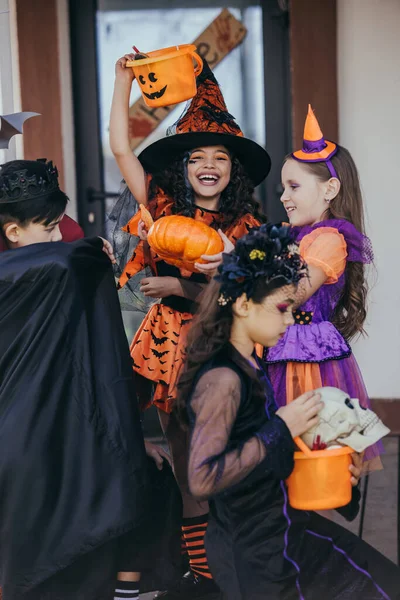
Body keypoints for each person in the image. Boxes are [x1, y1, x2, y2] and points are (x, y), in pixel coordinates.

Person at [109, 52, 270, 597]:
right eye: (197, 156)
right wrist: (120, 83)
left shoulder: (249, 226)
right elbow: (121, 150)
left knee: (235, 465)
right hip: (169, 349)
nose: (208, 165)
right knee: (189, 472)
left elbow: (251, 299)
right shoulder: (159, 204)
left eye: (220, 157)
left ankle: (241, 562)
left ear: (233, 169)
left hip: (225, 350)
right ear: (182, 167)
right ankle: (205, 577)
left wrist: (181, 285)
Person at [175, 223, 400, 600]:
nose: (289, 320)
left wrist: (341, 476)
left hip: (285, 531)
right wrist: (281, 426)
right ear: (244, 305)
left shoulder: (252, 366)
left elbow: (267, 458)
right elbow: (202, 480)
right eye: (280, 309)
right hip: (254, 555)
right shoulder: (222, 380)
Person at [0, 159, 181, 600]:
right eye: (47, 229)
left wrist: (124, 433)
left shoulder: (61, 268)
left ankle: (124, 589)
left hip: (66, 421)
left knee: (139, 476)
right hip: (19, 433)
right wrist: (83, 252)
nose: (58, 238)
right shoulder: (50, 269)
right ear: (13, 233)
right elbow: (67, 259)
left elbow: (90, 360)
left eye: (58, 226)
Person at [265, 105, 381, 467]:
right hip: (278, 345)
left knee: (312, 438)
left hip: (308, 356)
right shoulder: (292, 236)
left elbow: (296, 293)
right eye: (282, 187)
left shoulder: (329, 240)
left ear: (330, 188)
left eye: (294, 186)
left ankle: (305, 510)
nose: (283, 196)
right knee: (281, 437)